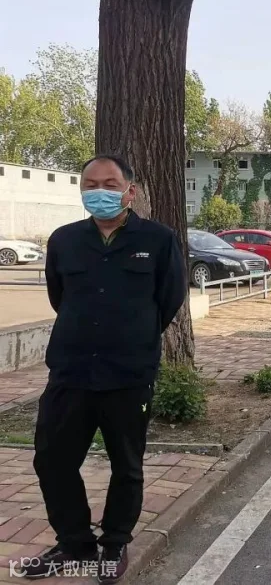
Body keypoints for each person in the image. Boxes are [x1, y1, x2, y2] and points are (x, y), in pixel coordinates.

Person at [25, 155, 186, 583]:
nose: (100, 192)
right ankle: (74, 542)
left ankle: (115, 542)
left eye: (110, 185)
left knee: (126, 464)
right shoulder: (64, 240)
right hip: (71, 371)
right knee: (52, 461)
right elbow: (59, 296)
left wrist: (132, 335)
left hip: (128, 374)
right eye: (90, 184)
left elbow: (169, 299)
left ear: (130, 191)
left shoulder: (159, 239)